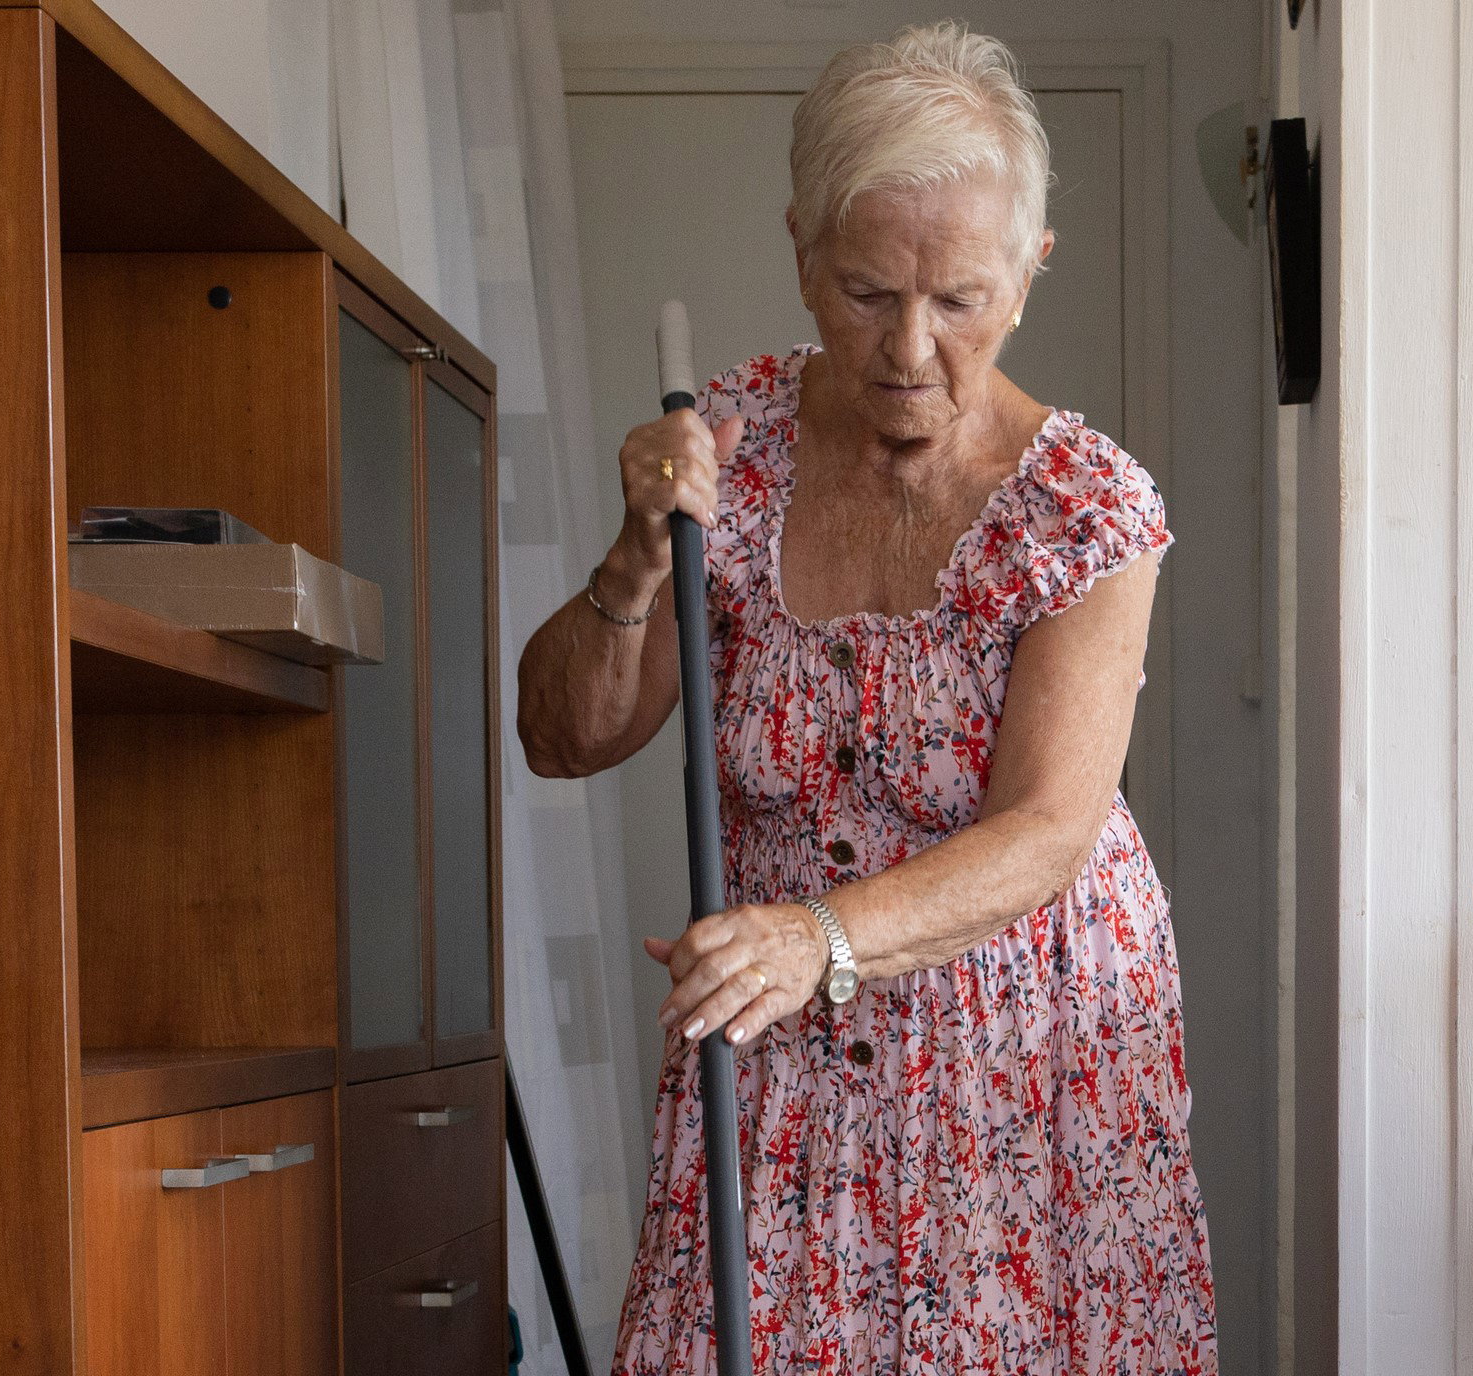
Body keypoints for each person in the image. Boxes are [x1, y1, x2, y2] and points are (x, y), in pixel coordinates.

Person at [517, 21, 1216, 1373]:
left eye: (957, 300)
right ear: (798, 251)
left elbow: (1048, 829)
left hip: (1023, 1051)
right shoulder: (729, 450)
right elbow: (566, 737)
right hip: (777, 1047)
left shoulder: (1085, 507)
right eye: (861, 292)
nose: (905, 347)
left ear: (1027, 276)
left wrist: (809, 942)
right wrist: (630, 562)